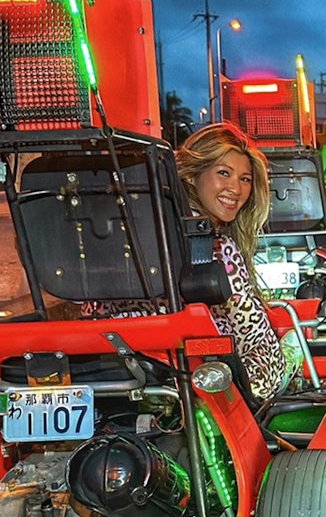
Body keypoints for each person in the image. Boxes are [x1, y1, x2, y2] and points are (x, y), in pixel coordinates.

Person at [83, 123, 287, 402]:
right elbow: (251, 334)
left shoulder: (121, 237)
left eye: (245, 179)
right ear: (192, 176)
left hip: (112, 365)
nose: (235, 189)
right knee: (285, 350)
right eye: (223, 173)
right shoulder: (217, 249)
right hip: (194, 377)